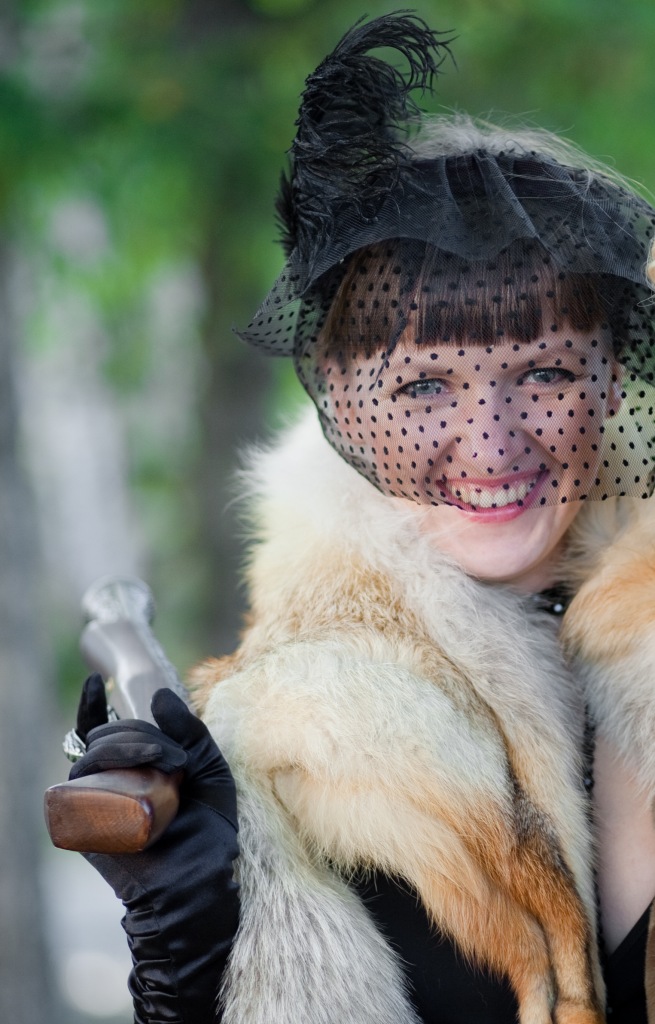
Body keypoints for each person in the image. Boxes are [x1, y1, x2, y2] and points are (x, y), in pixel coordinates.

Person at [67, 13, 655, 1024]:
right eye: (425, 387)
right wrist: (189, 968)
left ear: (609, 381)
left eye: (545, 374)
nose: (491, 442)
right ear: (343, 399)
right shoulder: (284, 741)